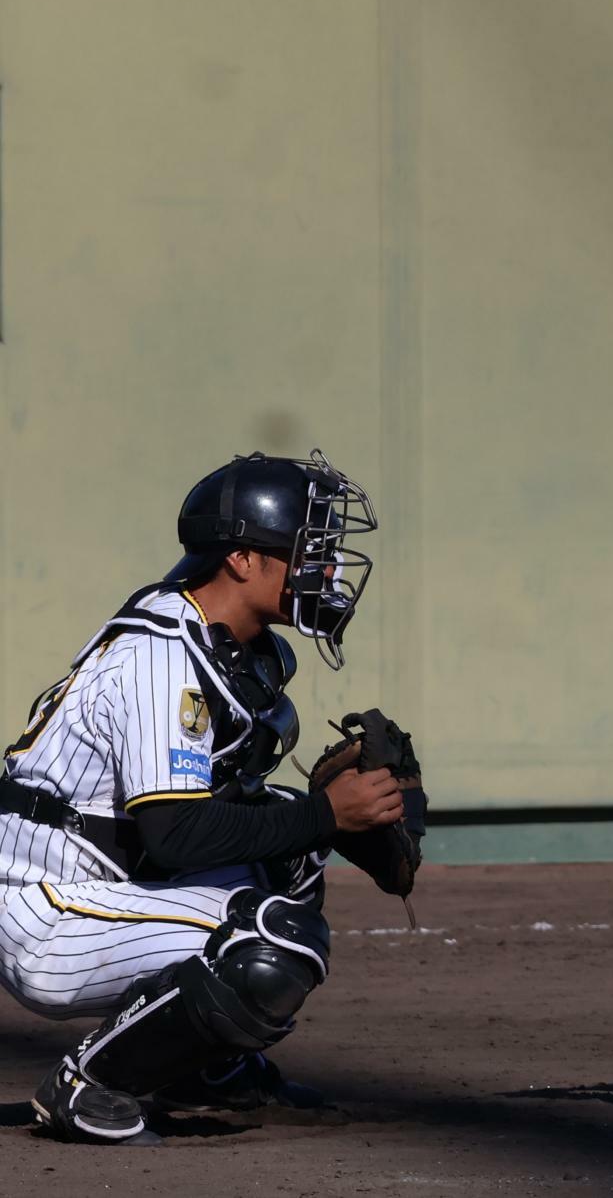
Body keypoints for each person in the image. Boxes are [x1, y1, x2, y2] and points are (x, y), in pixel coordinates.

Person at [0, 451, 408, 1144]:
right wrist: (326, 814)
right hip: (44, 904)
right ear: (243, 560)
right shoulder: (162, 658)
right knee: (270, 943)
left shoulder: (226, 644)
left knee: (287, 846)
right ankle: (89, 1083)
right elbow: (177, 835)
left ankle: (203, 1069)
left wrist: (326, 822)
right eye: (309, 552)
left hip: (109, 875)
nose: (328, 572)